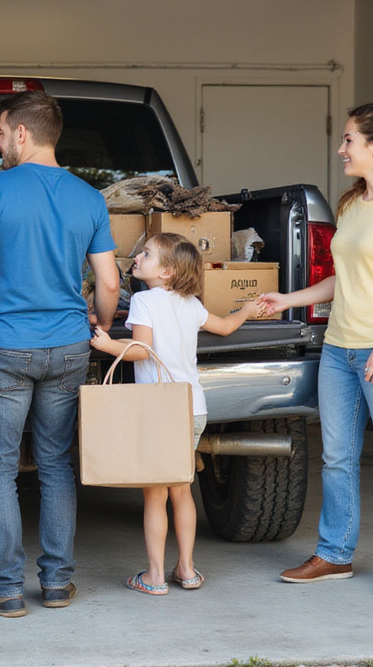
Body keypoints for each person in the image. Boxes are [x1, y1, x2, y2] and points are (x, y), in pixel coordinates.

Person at [0, 90, 120, 618]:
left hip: (5, 348)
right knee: (56, 466)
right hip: (69, 347)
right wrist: (103, 326)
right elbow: (109, 280)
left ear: (22, 133)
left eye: (0, 133)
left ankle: (4, 589)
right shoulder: (89, 197)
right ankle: (57, 583)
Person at [260, 101, 373, 597]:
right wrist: (288, 299)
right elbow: (344, 278)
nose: (342, 149)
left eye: (349, 141)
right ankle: (334, 555)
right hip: (339, 350)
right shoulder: (352, 205)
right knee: (336, 456)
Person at [90, 233, 264, 596]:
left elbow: (141, 350)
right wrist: (248, 309)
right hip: (192, 407)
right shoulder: (191, 304)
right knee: (182, 491)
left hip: (158, 410)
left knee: (155, 495)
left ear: (166, 272)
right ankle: (186, 568)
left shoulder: (143, 300)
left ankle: (154, 576)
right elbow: (227, 327)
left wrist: (108, 345)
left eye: (147, 254)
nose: (137, 257)